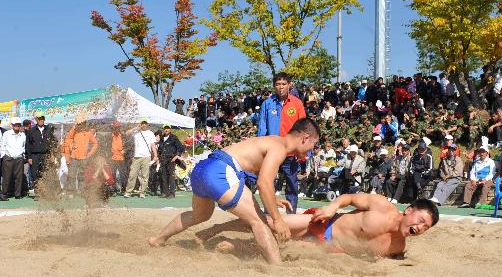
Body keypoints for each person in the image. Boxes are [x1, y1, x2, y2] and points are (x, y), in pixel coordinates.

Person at [148, 117, 321, 264]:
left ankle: (158, 239)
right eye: (313, 145)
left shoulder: (272, 140)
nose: (311, 151)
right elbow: (264, 184)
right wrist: (277, 220)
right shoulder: (280, 147)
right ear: (305, 138)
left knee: (199, 215)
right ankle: (277, 267)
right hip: (220, 171)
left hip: (204, 168)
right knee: (259, 222)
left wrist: (272, 200)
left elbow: (255, 171)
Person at [196, 194, 438, 259]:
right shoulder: (382, 206)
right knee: (270, 224)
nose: (420, 226)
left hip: (329, 250)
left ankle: (236, 245)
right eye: (421, 219)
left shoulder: (398, 246)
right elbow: (348, 198)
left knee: (280, 250)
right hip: (325, 225)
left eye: (425, 227)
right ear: (409, 210)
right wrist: (332, 207)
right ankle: (215, 229)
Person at [257, 72, 307, 213]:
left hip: (290, 152)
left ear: (289, 85)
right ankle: (269, 215)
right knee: (268, 184)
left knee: (292, 185)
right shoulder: (267, 104)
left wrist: (301, 150)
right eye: (278, 84)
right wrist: (260, 150)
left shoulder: (297, 103)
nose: (280, 87)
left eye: (283, 84)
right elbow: (262, 128)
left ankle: (291, 216)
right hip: (271, 152)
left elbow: (303, 128)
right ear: (274, 86)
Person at [63, 113, 99, 193]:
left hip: (84, 158)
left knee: (81, 175)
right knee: (71, 175)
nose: (81, 125)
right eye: (80, 123)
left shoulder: (88, 133)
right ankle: (71, 191)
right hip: (74, 158)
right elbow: (68, 138)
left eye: (83, 123)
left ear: (85, 124)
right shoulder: (74, 131)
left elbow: (95, 143)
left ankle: (81, 191)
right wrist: (71, 145)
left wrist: (89, 154)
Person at [123, 119, 157, 198]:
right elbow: (126, 133)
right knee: (132, 175)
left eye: (145, 123)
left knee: (145, 176)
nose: (144, 125)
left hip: (147, 157)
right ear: (140, 124)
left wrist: (155, 156)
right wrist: (136, 128)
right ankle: (128, 191)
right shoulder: (136, 132)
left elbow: (153, 145)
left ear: (147, 124)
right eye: (142, 123)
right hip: (136, 157)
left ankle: (142, 192)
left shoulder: (150, 133)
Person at [25, 110, 56, 192]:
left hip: (46, 155)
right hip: (35, 156)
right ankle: (38, 192)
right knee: (35, 174)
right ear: (36, 119)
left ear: (44, 119)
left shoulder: (48, 129)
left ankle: (45, 193)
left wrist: (53, 154)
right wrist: (29, 157)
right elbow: (28, 145)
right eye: (39, 118)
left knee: (45, 173)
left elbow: (53, 143)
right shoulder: (31, 130)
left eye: (42, 118)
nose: (41, 120)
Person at [0, 117, 27, 198]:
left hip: (19, 158)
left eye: (19, 125)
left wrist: (23, 156)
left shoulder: (23, 135)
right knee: (6, 176)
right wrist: (4, 156)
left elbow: (24, 146)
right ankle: (4, 193)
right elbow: (2, 145)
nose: (17, 126)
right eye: (15, 124)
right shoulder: (6, 134)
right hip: (8, 158)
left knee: (19, 177)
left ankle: (17, 194)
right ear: (12, 125)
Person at [157, 124, 184, 198]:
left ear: (170, 129)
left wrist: (176, 156)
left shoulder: (174, 137)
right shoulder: (162, 138)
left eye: (168, 128)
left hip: (171, 160)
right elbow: (160, 149)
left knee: (171, 177)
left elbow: (181, 148)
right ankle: (165, 193)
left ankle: (172, 193)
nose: (166, 130)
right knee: (163, 176)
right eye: (165, 128)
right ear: (163, 129)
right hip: (163, 160)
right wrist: (158, 157)